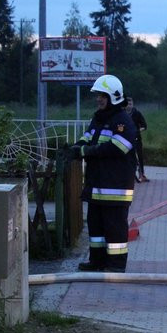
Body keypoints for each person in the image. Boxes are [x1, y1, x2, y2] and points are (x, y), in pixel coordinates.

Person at [69, 74, 137, 273]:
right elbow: (87, 137)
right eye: (98, 95)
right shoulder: (98, 119)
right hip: (96, 186)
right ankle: (97, 261)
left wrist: (86, 151)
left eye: (102, 95)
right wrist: (76, 147)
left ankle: (116, 265)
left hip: (114, 188)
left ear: (114, 97)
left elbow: (117, 148)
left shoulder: (123, 121)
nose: (98, 99)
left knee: (114, 228)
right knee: (96, 228)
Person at [125, 96, 149, 182]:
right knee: (127, 157)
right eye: (127, 104)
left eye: (130, 104)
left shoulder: (137, 114)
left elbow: (144, 126)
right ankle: (128, 174)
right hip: (125, 140)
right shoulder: (122, 114)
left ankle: (141, 174)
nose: (129, 106)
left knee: (139, 157)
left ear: (133, 104)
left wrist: (137, 131)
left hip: (136, 139)